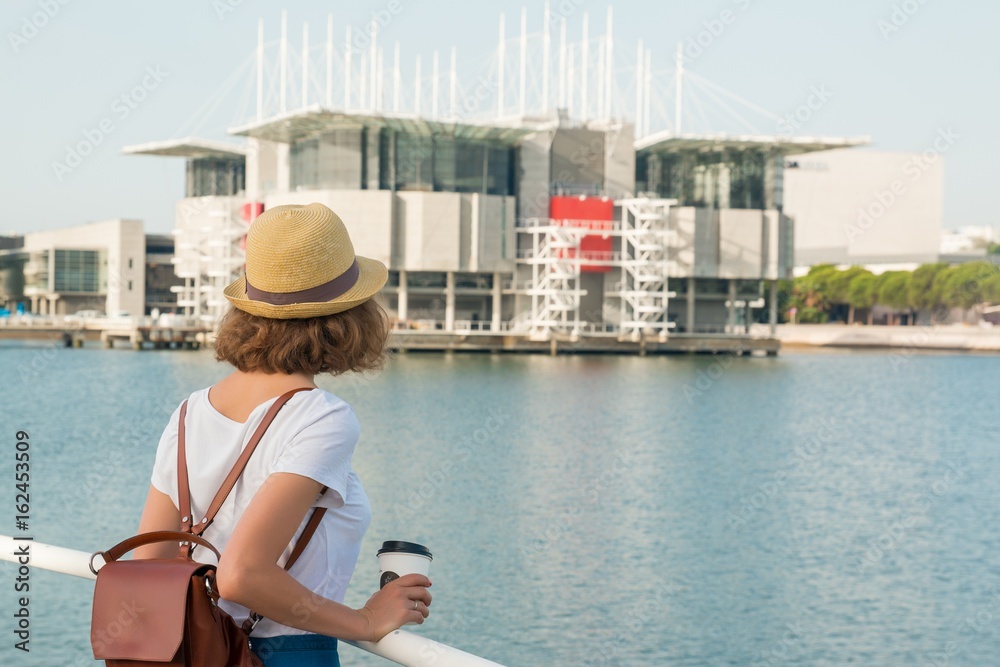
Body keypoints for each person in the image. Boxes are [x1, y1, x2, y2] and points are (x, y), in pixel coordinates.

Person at [133, 203, 431, 666]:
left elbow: (149, 560)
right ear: (349, 317)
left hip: (192, 649)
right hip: (284, 654)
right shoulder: (321, 417)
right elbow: (241, 575)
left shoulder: (189, 412)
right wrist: (366, 622)